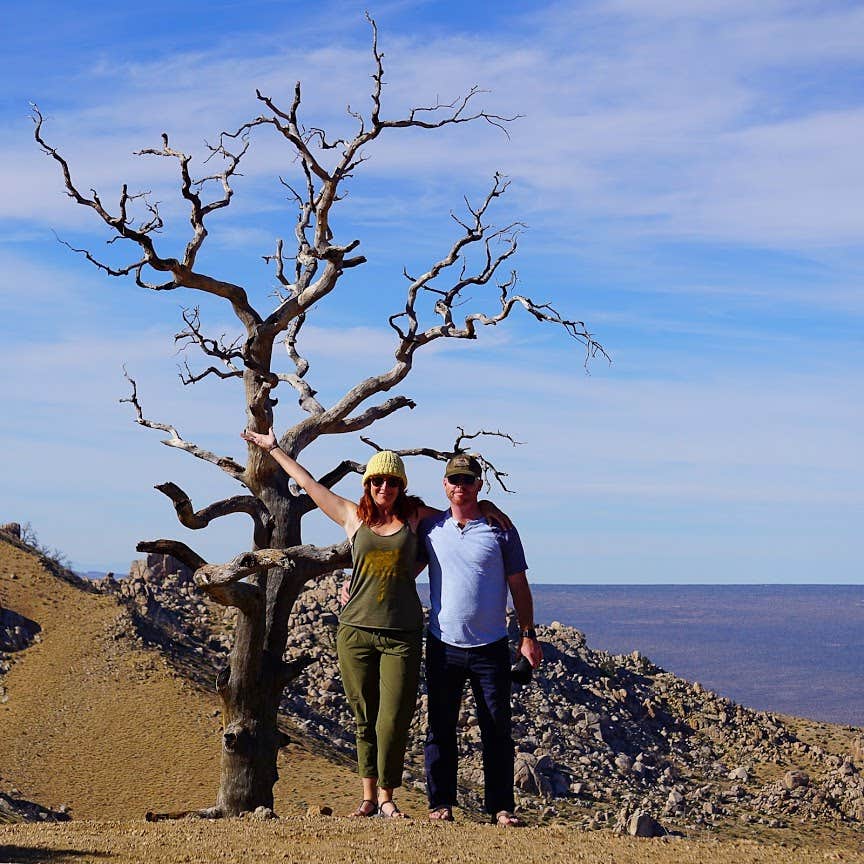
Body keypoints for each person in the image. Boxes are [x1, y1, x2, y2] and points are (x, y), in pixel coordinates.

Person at [240, 429, 508, 819]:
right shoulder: (353, 516)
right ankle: (369, 798)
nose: (384, 487)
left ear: (401, 486)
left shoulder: (415, 517)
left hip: (402, 633)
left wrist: (487, 505)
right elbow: (309, 484)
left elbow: (460, 510)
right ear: (367, 484)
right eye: (377, 480)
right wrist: (275, 449)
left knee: (393, 719)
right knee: (364, 716)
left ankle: (387, 796)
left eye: (392, 481)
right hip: (356, 632)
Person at [419, 453, 543, 827]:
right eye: (455, 479)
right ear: (444, 485)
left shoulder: (500, 529)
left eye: (468, 480)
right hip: (443, 644)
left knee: (496, 729)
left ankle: (502, 808)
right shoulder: (430, 527)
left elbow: (518, 584)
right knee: (440, 727)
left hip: (490, 647)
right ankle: (440, 804)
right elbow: (387, 523)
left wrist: (527, 635)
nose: (461, 486)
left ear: (479, 485)